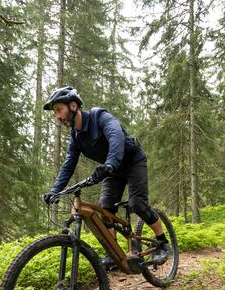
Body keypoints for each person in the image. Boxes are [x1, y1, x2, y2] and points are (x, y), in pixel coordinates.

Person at [42, 86, 169, 266]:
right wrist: (55, 191)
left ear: (72, 105)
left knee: (137, 205)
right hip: (113, 169)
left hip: (132, 161)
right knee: (105, 208)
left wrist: (110, 164)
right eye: (55, 112)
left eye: (59, 110)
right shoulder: (76, 137)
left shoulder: (99, 116)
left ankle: (163, 242)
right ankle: (114, 254)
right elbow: (68, 164)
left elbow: (115, 135)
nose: (57, 117)